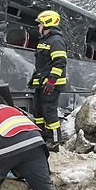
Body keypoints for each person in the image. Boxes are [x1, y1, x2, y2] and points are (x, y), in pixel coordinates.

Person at [28, 10, 67, 152]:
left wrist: (51, 81)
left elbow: (60, 63)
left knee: (49, 112)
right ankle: (42, 136)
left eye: (40, 24)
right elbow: (43, 64)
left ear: (47, 24)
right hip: (42, 82)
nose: (38, 27)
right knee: (38, 111)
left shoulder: (56, 41)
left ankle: (55, 141)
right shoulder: (44, 40)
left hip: (52, 85)